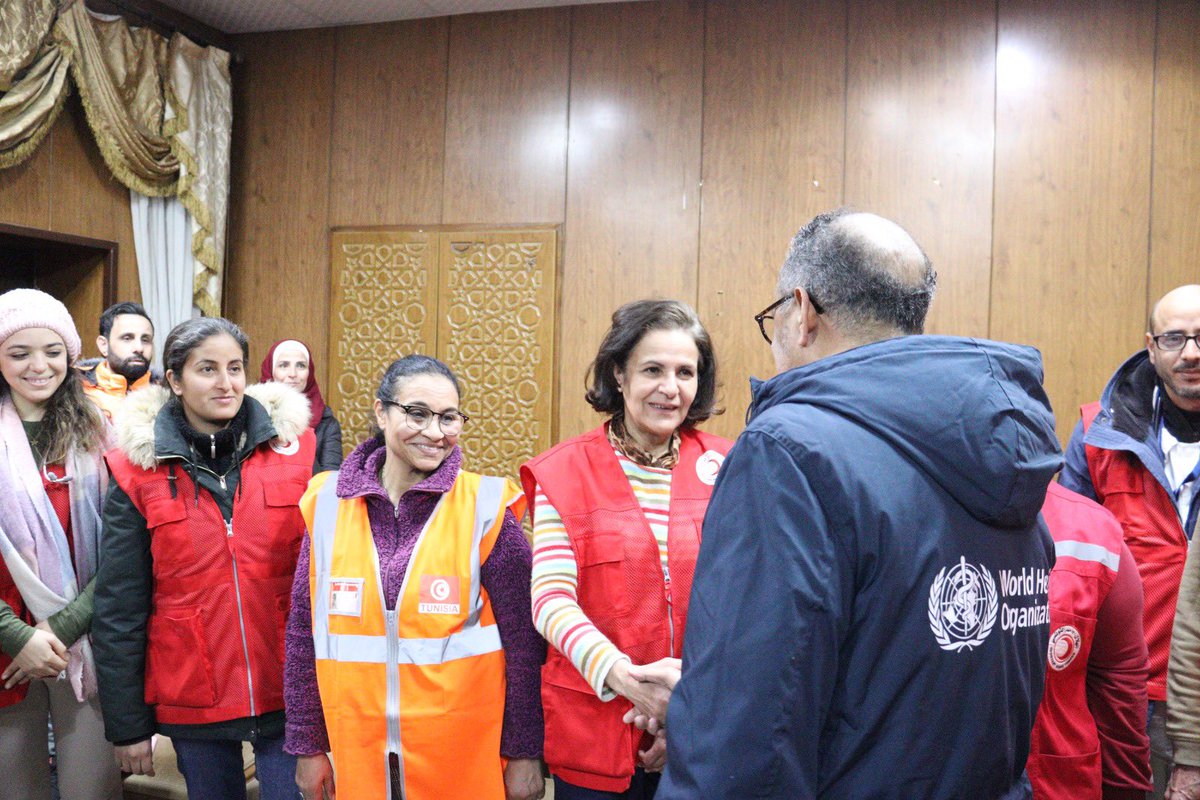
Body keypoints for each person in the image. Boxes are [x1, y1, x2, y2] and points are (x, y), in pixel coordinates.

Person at [650, 210, 1061, 799]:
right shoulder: (996, 446)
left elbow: (749, 732)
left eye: (775, 320)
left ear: (803, 312)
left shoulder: (789, 449)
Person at [286, 354, 545, 800]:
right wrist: (308, 746)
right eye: (417, 413)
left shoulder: (485, 509)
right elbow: (302, 634)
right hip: (358, 759)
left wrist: (524, 754)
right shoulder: (327, 505)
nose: (434, 432)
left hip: (461, 763)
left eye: (448, 418)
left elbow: (525, 645)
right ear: (381, 412)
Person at [92, 317, 315, 800]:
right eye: (207, 369)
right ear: (174, 379)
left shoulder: (298, 453)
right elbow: (119, 605)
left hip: (289, 684)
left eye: (235, 368)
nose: (226, 383)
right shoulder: (136, 471)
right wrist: (128, 724)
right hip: (192, 686)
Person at [521, 299, 733, 799]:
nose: (670, 388)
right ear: (619, 375)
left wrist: (679, 714)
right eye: (652, 370)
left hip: (702, 728)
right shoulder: (563, 472)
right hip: (594, 726)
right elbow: (550, 601)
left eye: (686, 372)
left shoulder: (730, 466)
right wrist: (628, 680)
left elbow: (744, 599)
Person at [1060, 284, 1200, 798]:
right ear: (1150, 345)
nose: (1190, 353)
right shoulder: (1099, 434)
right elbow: (1062, 565)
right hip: (1125, 694)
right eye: (1174, 338)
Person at [0, 289, 123, 800]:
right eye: (18, 352)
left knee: (89, 790)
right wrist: (17, 636)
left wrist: (62, 624)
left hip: (87, 643)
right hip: (7, 652)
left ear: (71, 355)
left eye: (51, 351)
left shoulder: (102, 431)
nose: (38, 366)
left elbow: (126, 547)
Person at [1026, 482, 1151, 800]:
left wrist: (1127, 788)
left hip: (1059, 783)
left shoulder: (1092, 532)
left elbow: (1118, 675)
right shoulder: (900, 511)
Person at [260, 339, 343, 473]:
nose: (293, 374)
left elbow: (329, 480)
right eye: (283, 365)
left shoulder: (327, 422)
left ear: (309, 373)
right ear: (271, 370)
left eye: (301, 366)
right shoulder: (252, 414)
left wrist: (299, 432)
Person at [78, 301, 156, 421]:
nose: (139, 348)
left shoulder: (168, 395)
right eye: (127, 338)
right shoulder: (75, 391)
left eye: (145, 340)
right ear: (103, 345)